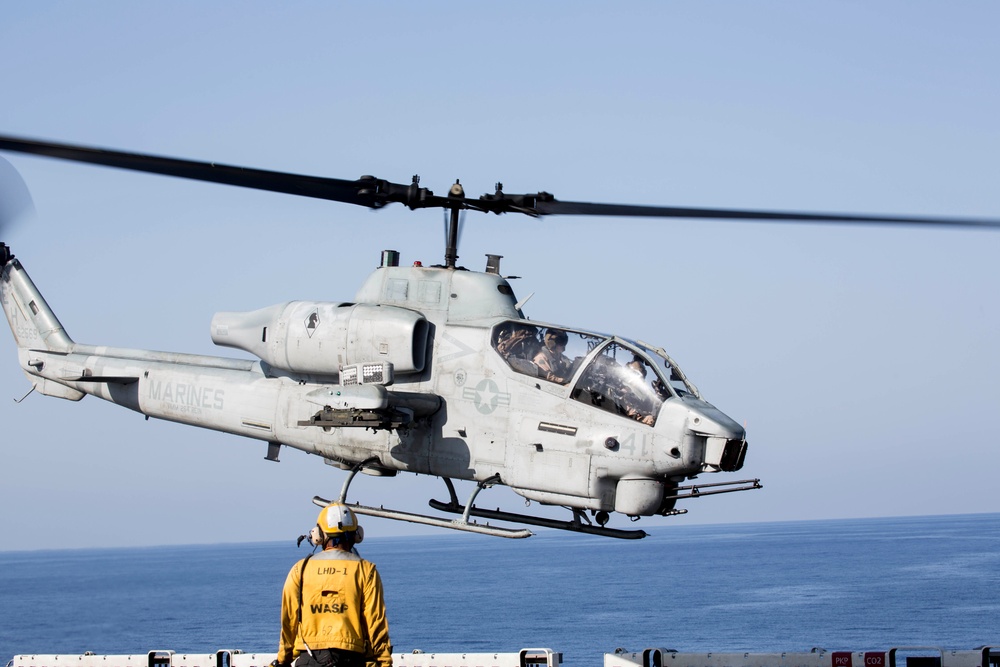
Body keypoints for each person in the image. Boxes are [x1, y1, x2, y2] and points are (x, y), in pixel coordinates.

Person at [272, 503, 393, 667]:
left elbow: (288, 622)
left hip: (309, 659)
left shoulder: (300, 570)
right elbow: (376, 624)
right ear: (357, 534)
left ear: (318, 535)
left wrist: (282, 660)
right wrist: (384, 662)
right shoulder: (366, 571)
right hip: (350, 659)